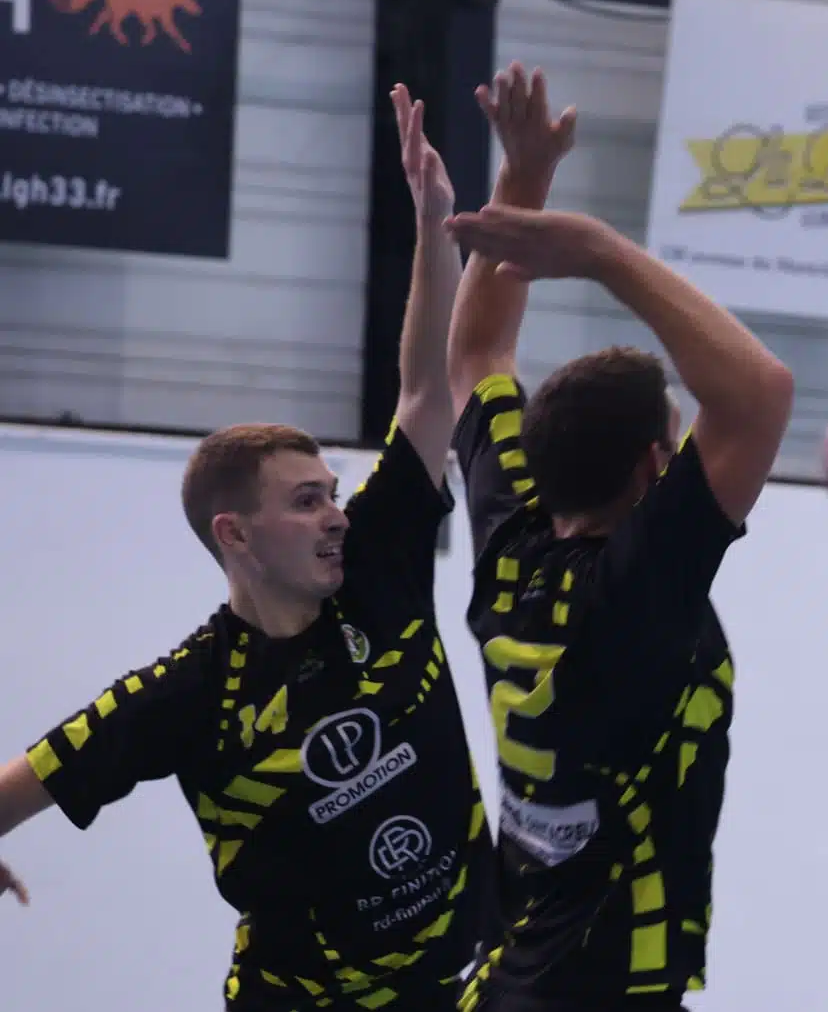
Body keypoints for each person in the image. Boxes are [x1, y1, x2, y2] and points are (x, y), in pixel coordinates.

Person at [0, 86, 491, 1011]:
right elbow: (18, 786)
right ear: (235, 534)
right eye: (307, 502)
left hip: (462, 987)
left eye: (332, 494)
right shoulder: (186, 693)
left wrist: (433, 225)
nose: (336, 515)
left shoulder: (375, 565)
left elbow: (427, 393)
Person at [441, 64, 794, 1012]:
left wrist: (523, 180)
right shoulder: (635, 590)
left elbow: (476, 354)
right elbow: (759, 392)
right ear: (653, 466)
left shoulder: (511, 546)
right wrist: (595, 250)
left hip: (510, 978)